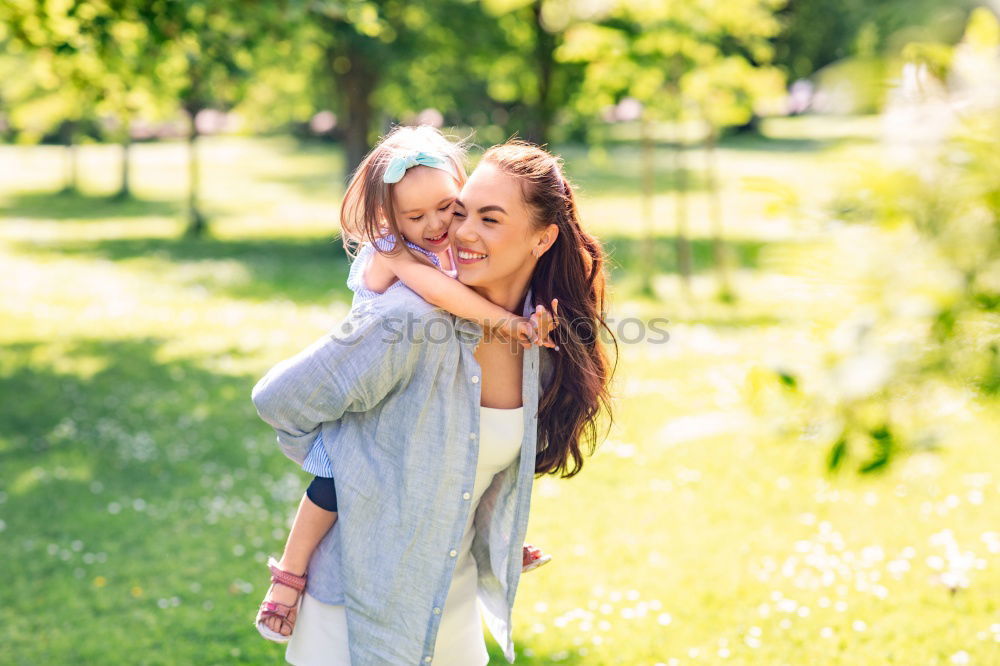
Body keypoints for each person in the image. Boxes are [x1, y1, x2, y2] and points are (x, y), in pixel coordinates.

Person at [251, 138, 615, 665]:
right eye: (462, 212)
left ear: (543, 239)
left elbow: (474, 466)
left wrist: (497, 535)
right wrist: (352, 464)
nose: (460, 231)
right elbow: (279, 400)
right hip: (359, 612)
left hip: (453, 606)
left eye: (488, 219)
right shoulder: (410, 321)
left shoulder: (539, 339)